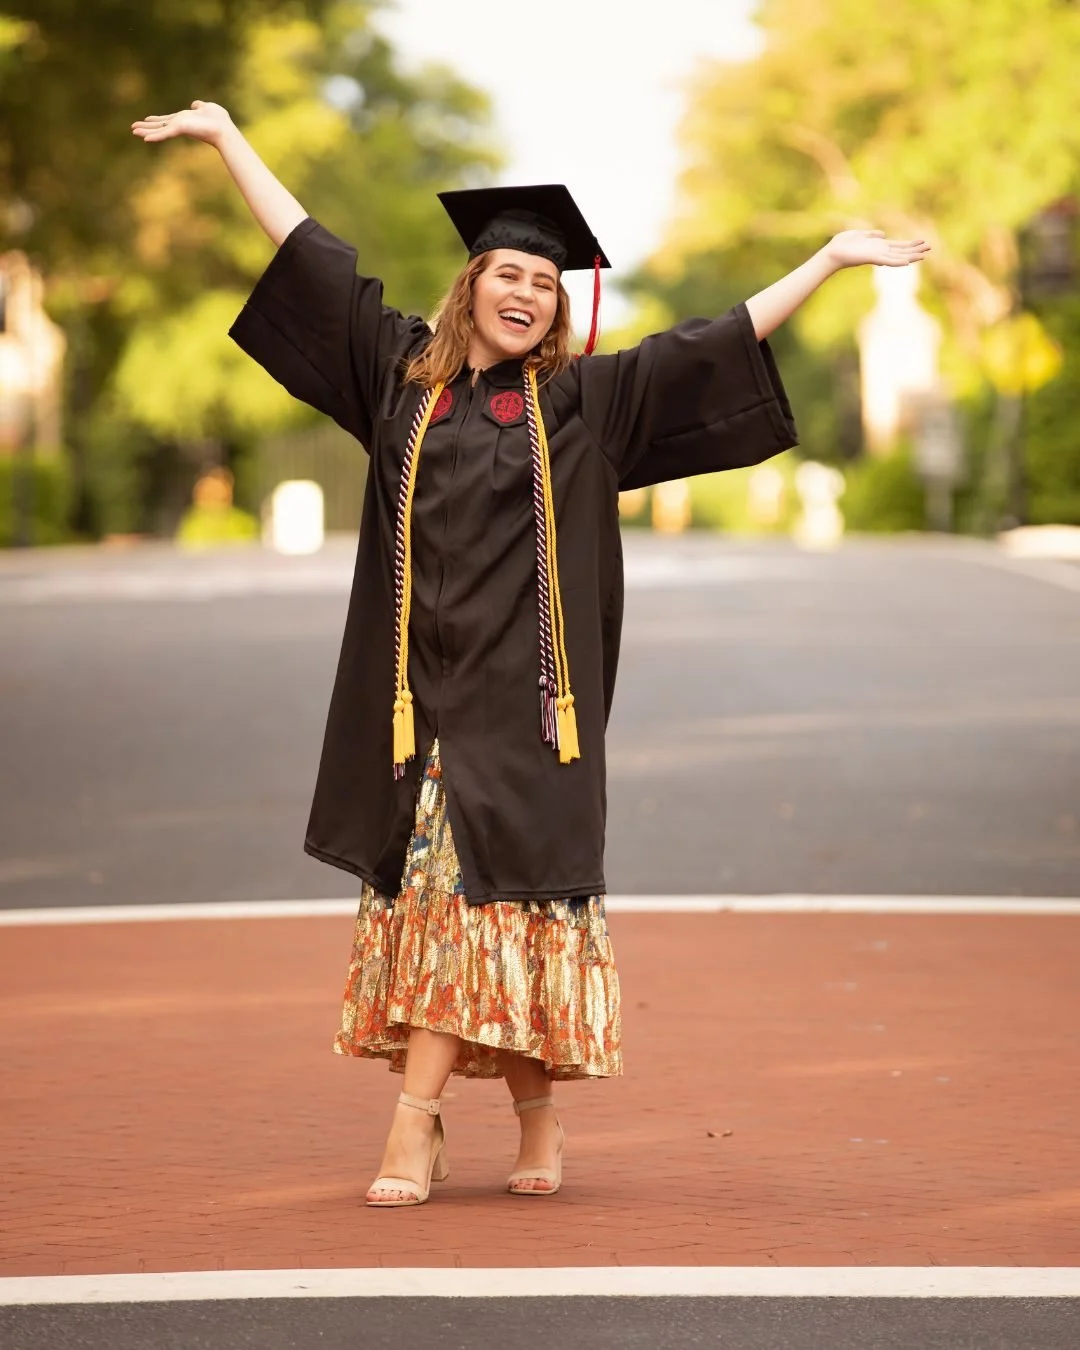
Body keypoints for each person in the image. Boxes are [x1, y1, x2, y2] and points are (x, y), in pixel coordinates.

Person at [133, 100, 930, 1208]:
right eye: (507, 272)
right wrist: (228, 139)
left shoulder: (585, 404)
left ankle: (421, 1127)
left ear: (562, 304)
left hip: (529, 715)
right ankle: (526, 1115)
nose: (524, 292)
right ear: (471, 286)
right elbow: (312, 258)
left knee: (500, 914)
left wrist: (830, 261)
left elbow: (715, 342)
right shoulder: (398, 379)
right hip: (418, 707)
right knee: (462, 917)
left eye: (544, 282)